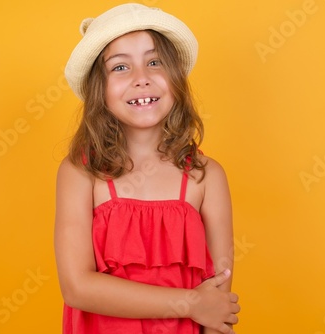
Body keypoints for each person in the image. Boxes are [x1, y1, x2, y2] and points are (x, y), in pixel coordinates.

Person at [54, 3, 240, 333]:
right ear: (100, 90)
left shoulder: (207, 177)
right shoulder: (80, 173)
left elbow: (217, 302)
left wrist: (205, 308)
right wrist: (190, 303)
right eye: (120, 67)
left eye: (154, 63)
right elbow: (77, 287)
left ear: (176, 79)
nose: (142, 79)